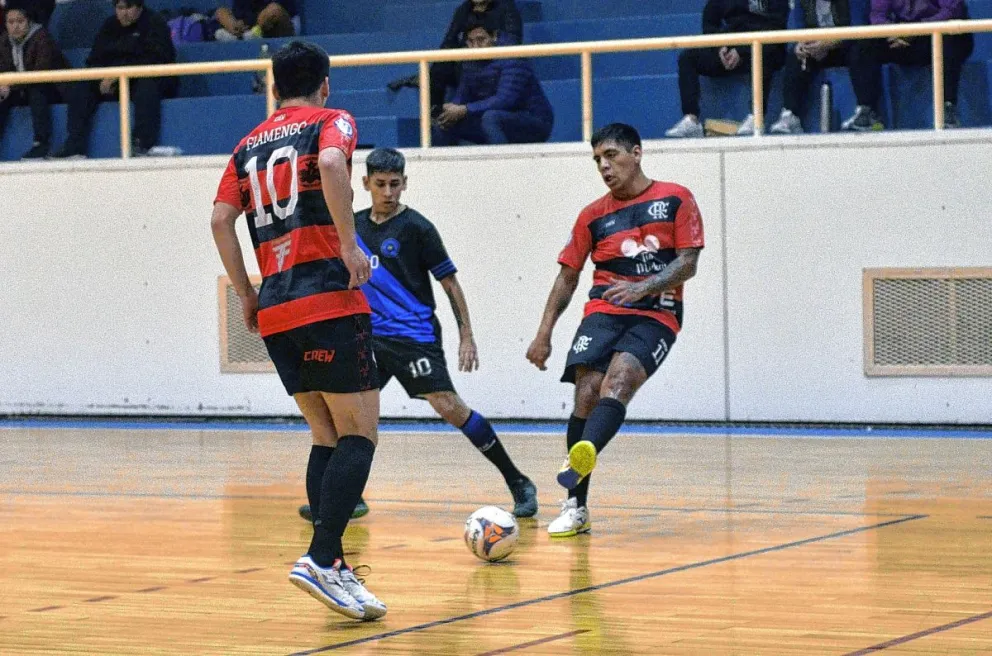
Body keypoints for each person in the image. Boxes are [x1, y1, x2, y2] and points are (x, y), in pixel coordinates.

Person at [211, 40, 385, 621]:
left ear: (273, 86)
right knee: (359, 434)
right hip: (327, 299)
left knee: (326, 436)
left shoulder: (244, 147)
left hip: (277, 309)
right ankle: (319, 556)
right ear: (325, 84)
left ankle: (333, 567)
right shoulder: (331, 121)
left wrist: (246, 292)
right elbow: (334, 165)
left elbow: (219, 219)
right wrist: (347, 242)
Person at [297, 148, 538, 526]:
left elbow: (450, 284)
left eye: (395, 184)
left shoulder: (418, 229)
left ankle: (519, 482)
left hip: (414, 336)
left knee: (449, 406)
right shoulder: (353, 227)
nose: (389, 191)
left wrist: (466, 336)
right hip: (368, 337)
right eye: (380, 184)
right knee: (347, 415)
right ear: (366, 184)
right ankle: (346, 498)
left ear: (405, 183)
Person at [526, 123, 705, 538]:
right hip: (604, 311)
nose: (604, 166)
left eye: (611, 155)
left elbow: (688, 263)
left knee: (619, 382)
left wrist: (642, 288)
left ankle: (580, 460)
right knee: (587, 392)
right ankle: (577, 505)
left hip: (657, 312)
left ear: (637, 153)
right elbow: (567, 277)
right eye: (597, 160)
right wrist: (543, 333)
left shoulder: (676, 197)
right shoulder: (592, 216)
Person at [49, 0, 176, 159]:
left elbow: (157, 58)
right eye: (120, 8)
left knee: (147, 86)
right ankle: (75, 146)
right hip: (112, 80)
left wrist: (118, 75)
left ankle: (142, 143)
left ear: (139, 7)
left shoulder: (155, 23)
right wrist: (102, 77)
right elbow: (95, 58)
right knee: (81, 88)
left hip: (145, 78)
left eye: (128, 7)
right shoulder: (109, 25)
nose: (124, 12)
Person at [665, 0, 789, 138]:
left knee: (762, 52)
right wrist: (721, 47)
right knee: (688, 57)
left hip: (766, 46)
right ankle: (691, 120)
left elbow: (777, 25)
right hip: (730, 47)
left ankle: (756, 118)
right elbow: (709, 23)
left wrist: (742, 50)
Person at [842, 0, 972, 130]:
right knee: (862, 45)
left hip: (935, 32)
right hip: (901, 36)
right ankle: (867, 111)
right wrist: (895, 32)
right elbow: (877, 16)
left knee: (950, 37)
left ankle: (948, 110)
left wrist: (916, 30)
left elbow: (950, 11)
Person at [388, 0, 522, 117]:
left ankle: (459, 109)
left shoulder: (506, 7)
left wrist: (485, 49)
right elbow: (449, 39)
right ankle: (436, 110)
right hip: (467, 58)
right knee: (442, 65)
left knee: (463, 66)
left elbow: (513, 41)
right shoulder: (463, 9)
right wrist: (465, 50)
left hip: (495, 62)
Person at [433, 22, 553, 146]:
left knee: (491, 117)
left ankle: (502, 164)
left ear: (494, 36)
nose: (475, 47)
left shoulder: (514, 57)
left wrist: (465, 109)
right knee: (445, 122)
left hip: (534, 121)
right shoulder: (469, 62)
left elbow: (505, 100)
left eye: (481, 40)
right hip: (488, 117)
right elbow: (463, 94)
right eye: (470, 41)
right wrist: (451, 109)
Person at [768, 0, 855, 134]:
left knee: (862, 51)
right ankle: (790, 114)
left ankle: (864, 113)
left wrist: (827, 44)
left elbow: (857, 29)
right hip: (815, 47)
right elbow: (796, 29)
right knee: (796, 56)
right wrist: (800, 45)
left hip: (843, 47)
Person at [0, 5, 67, 159]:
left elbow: (40, 73)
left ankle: (41, 144)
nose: (15, 26)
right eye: (10, 22)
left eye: (20, 21)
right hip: (20, 88)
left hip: (51, 88)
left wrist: (10, 85)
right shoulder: (3, 41)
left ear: (29, 22)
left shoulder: (42, 37)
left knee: (37, 92)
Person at [214, 0, 296, 40]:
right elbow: (239, 12)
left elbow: (281, 9)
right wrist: (236, 24)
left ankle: (250, 35)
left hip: (280, 27)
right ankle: (237, 37)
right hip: (248, 28)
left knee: (273, 10)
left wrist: (250, 22)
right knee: (221, 12)